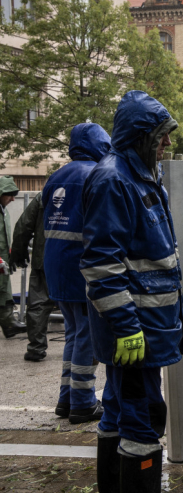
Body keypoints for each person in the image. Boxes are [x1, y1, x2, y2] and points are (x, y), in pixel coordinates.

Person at [81, 90, 183, 493]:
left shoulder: (138, 177)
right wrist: (128, 327)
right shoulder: (116, 181)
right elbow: (102, 265)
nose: (166, 145)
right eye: (160, 137)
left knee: (117, 409)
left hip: (143, 327)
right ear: (139, 137)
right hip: (136, 331)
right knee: (144, 414)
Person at [43, 123, 112, 423]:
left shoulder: (56, 176)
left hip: (56, 267)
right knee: (87, 335)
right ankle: (83, 402)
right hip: (81, 267)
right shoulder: (95, 175)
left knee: (73, 333)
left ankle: (66, 398)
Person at [10, 192, 57, 362]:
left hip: (44, 259)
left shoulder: (44, 195)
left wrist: (18, 254)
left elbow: (23, 227)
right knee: (82, 304)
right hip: (76, 260)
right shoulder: (89, 188)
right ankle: (85, 349)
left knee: (38, 304)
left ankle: (36, 348)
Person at [0, 176, 26, 339]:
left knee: (4, 292)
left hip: (3, 261)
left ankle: (8, 324)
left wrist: (10, 253)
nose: (13, 198)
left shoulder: (3, 211)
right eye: (10, 194)